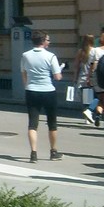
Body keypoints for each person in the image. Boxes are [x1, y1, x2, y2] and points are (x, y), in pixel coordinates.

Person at [21, 29, 64, 163]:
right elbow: (57, 77)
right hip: (48, 91)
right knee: (52, 123)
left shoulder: (25, 55)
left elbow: (24, 73)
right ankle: (53, 151)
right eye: (48, 40)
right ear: (43, 41)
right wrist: (61, 69)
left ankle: (33, 153)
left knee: (32, 124)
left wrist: (27, 85)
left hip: (31, 90)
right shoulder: (51, 56)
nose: (49, 42)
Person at [72, 34, 97, 125]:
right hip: (91, 78)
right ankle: (90, 114)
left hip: (81, 78)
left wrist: (75, 78)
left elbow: (76, 66)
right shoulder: (95, 51)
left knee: (85, 99)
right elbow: (94, 65)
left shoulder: (81, 51)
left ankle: (87, 116)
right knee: (94, 98)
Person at [88, 31, 104, 127]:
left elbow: (91, 65)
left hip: (98, 77)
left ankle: (97, 113)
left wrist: (89, 77)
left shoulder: (95, 50)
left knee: (100, 98)